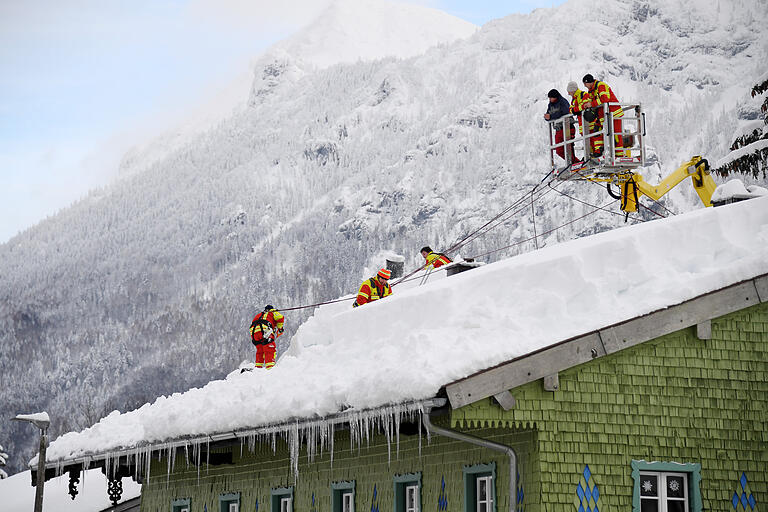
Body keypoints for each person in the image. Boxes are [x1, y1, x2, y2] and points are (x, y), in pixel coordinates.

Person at [582, 74, 626, 157]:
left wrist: (591, 104)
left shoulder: (600, 86)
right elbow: (592, 101)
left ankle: (619, 154)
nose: (585, 86)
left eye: (585, 84)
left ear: (588, 82)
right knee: (597, 131)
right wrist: (587, 105)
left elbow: (605, 99)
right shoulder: (591, 91)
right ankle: (599, 151)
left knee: (615, 134)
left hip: (613, 113)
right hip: (603, 115)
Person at [567, 80, 601, 159]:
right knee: (587, 143)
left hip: (589, 124)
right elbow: (571, 110)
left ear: (572, 90)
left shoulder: (583, 95)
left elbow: (585, 106)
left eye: (569, 91)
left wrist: (577, 109)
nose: (568, 93)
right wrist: (578, 109)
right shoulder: (574, 99)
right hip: (582, 125)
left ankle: (596, 156)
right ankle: (590, 156)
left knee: (593, 141)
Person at [544, 88, 575, 162]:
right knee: (559, 150)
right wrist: (547, 117)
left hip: (567, 127)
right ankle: (573, 162)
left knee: (569, 147)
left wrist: (551, 116)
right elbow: (549, 114)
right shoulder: (550, 105)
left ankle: (574, 162)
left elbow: (564, 112)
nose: (550, 99)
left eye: (551, 97)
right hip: (558, 129)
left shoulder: (563, 102)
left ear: (555, 97)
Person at [249, 305, 285, 369]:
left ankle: (258, 368)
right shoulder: (272, 312)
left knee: (260, 351)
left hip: (254, 333)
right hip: (264, 330)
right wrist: (280, 328)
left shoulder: (259, 315)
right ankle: (270, 368)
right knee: (269, 348)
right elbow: (280, 318)